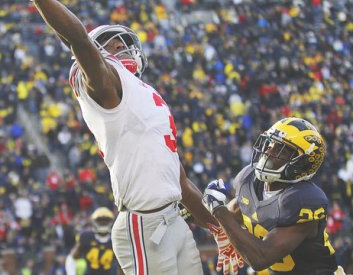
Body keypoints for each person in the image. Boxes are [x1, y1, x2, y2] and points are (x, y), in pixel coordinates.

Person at [31, 1, 242, 274]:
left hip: (174, 220)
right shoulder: (107, 86)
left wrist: (218, 228)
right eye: (108, 44)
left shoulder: (146, 96)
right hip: (144, 223)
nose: (119, 46)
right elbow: (77, 38)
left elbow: (179, 181)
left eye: (121, 43)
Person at [202, 117, 345, 274]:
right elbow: (218, 221)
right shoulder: (250, 182)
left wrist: (218, 211)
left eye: (281, 149)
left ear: (302, 163)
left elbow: (260, 258)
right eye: (271, 142)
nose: (269, 150)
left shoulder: (302, 200)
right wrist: (189, 201)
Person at [66, 207, 119, 275]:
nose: (103, 223)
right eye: (100, 221)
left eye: (106, 221)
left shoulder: (116, 239)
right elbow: (71, 258)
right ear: (93, 221)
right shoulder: (86, 237)